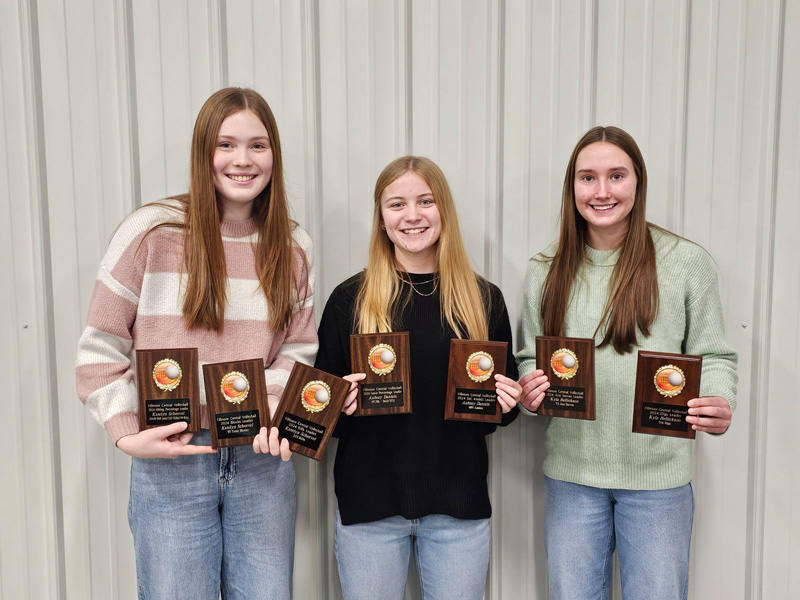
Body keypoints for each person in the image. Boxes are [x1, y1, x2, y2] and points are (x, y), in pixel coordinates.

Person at [75, 87, 316, 599]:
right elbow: (100, 350)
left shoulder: (293, 246)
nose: (243, 160)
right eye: (226, 144)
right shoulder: (152, 231)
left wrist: (271, 410)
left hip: (261, 464)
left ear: (275, 154)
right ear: (202, 151)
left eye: (258, 145)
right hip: (173, 461)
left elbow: (297, 351)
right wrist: (125, 434)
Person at [516, 126, 738, 599]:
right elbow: (527, 357)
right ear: (571, 186)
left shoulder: (685, 262)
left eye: (616, 176)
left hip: (658, 481)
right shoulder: (544, 269)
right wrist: (529, 391)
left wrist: (718, 400)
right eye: (587, 177)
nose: (601, 191)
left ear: (637, 183)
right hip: (572, 479)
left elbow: (714, 353)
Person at [314, 156, 522, 600]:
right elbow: (319, 414)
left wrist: (509, 402)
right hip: (370, 509)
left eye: (425, 201)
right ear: (382, 219)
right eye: (397, 204)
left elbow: (500, 414)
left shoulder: (483, 299)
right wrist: (339, 405)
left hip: (457, 511)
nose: (412, 215)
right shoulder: (349, 300)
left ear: (443, 209)